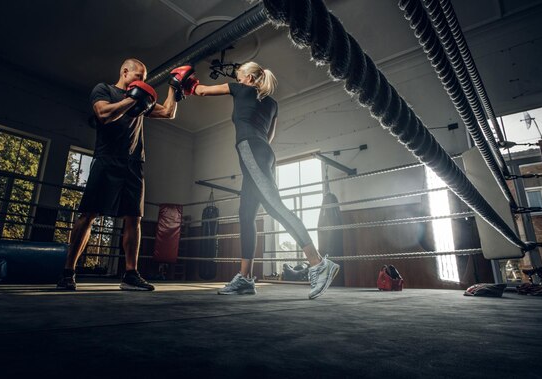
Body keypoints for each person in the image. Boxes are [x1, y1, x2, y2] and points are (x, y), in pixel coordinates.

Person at [177, 62, 340, 299]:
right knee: (246, 215)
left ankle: (318, 263)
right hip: (263, 151)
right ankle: (245, 279)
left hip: (250, 149)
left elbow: (201, 91)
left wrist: (184, 82)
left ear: (250, 77)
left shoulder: (240, 89)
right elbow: (268, 137)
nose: (237, 77)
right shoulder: (272, 104)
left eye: (239, 74)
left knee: (275, 207)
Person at [57, 58, 185, 291]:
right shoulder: (104, 89)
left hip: (134, 162)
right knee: (89, 215)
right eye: (139, 78)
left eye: (144, 81)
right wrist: (132, 99)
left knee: (133, 217)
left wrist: (174, 87)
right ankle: (68, 271)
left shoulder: (140, 97)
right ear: (125, 72)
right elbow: (104, 114)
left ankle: (130, 274)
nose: (142, 83)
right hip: (107, 159)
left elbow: (168, 113)